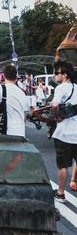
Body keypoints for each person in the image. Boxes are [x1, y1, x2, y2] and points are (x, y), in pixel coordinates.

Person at [48, 62, 77, 201]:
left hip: (64, 134)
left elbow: (54, 104)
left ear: (64, 75)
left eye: (57, 73)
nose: (55, 75)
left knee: (63, 165)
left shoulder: (60, 88)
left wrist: (57, 116)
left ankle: (60, 193)